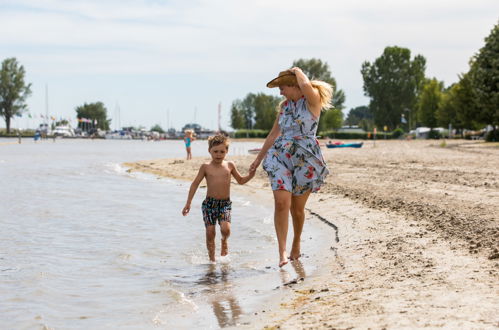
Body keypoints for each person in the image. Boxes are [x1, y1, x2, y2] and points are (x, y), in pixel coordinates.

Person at [250, 67, 333, 267]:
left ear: (294, 85)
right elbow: (272, 135)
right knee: (281, 203)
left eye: (283, 87)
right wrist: (257, 160)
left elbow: (305, 84)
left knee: (297, 209)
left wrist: (297, 70)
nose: (280, 92)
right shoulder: (285, 107)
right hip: (281, 156)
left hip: (306, 159)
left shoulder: (312, 102)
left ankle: (296, 243)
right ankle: (282, 252)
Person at [182, 134, 255, 263]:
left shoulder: (230, 165)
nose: (218, 154)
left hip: (225, 204)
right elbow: (195, 184)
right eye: (215, 151)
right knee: (210, 233)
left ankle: (224, 241)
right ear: (209, 150)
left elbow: (241, 181)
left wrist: (251, 175)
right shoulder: (205, 167)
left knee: (225, 230)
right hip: (209, 204)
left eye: (222, 151)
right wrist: (188, 203)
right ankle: (212, 261)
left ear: (227, 151)